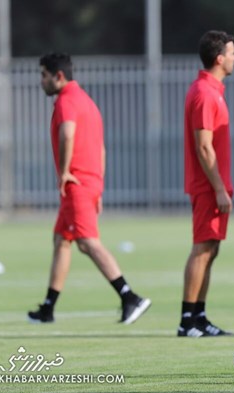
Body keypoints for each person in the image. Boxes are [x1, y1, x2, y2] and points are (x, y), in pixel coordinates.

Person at [28, 53, 151, 324]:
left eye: (43, 75)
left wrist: (64, 172)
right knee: (62, 239)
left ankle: (130, 296)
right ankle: (48, 308)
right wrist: (99, 185)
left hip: (77, 183)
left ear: (58, 76)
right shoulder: (85, 100)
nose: (41, 81)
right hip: (90, 181)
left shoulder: (66, 101)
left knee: (87, 242)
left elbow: (67, 133)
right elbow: (101, 147)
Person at [178, 31, 234, 338]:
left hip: (215, 185)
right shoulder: (204, 92)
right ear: (219, 58)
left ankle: (199, 317)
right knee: (202, 249)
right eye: (231, 52)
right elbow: (204, 147)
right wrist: (217, 188)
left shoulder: (212, 89)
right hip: (207, 186)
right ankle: (187, 320)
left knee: (210, 249)